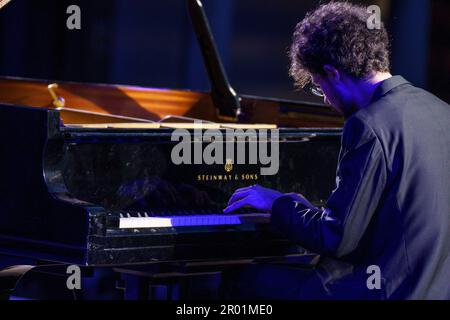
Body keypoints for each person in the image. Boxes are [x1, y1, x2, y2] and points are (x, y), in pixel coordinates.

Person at [222, 2, 450, 300]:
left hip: (381, 292)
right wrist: (310, 211)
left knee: (244, 280)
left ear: (333, 73)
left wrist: (277, 203)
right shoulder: (441, 110)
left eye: (319, 86)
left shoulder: (368, 125)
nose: (326, 100)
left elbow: (337, 238)